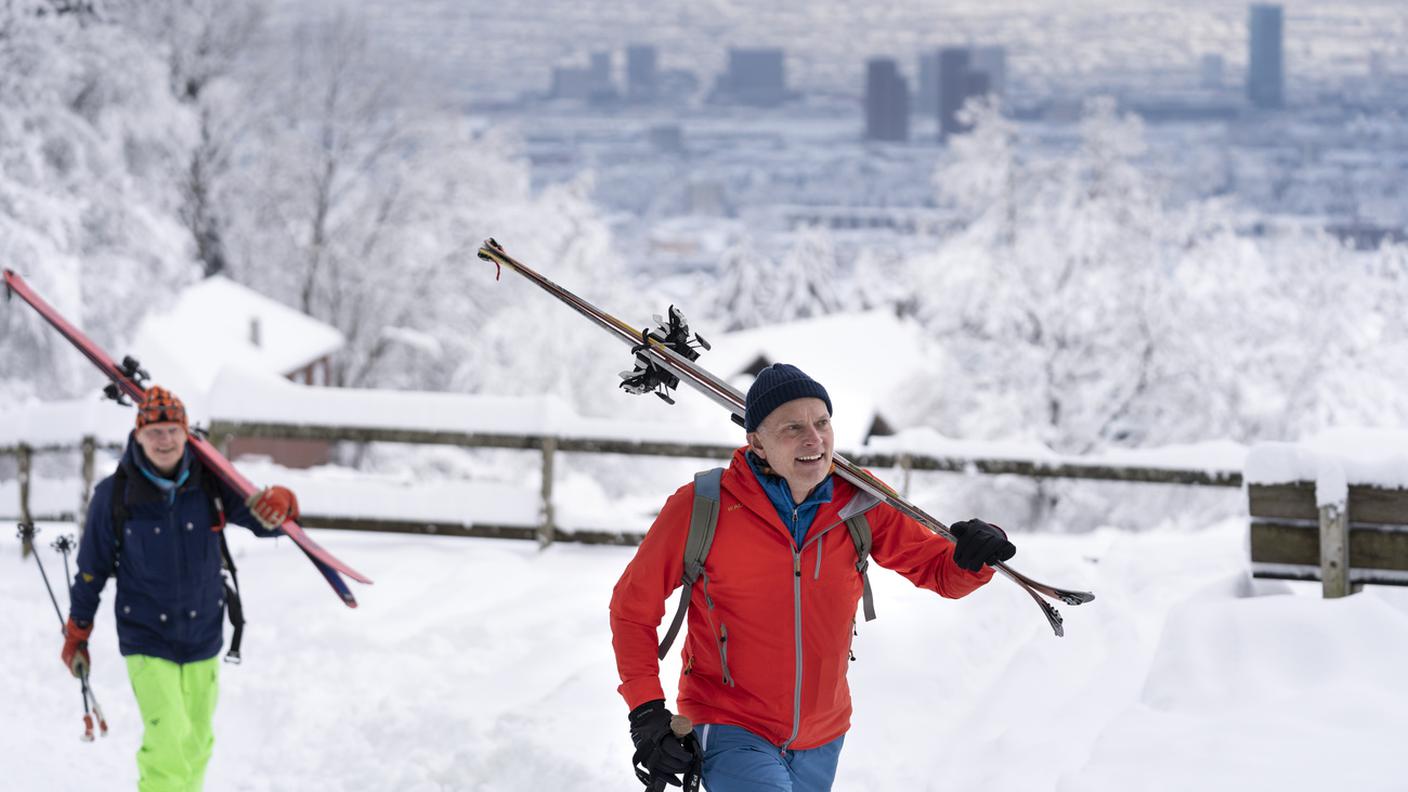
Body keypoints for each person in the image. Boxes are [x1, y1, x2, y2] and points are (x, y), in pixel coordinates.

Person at [610, 364, 1016, 792]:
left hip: (824, 736)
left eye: (822, 422)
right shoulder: (703, 505)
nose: (814, 438)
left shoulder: (860, 502)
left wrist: (975, 557)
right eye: (792, 427)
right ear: (757, 443)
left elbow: (939, 572)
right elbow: (632, 608)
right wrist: (646, 709)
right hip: (729, 722)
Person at [60, 386, 301, 792]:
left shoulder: (210, 484)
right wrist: (78, 631)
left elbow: (261, 517)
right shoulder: (114, 494)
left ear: (186, 433)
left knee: (196, 742)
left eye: (172, 430)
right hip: (146, 637)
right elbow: (91, 570)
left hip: (203, 631)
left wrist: (284, 504)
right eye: (154, 432)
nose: (164, 440)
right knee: (167, 740)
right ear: (137, 436)